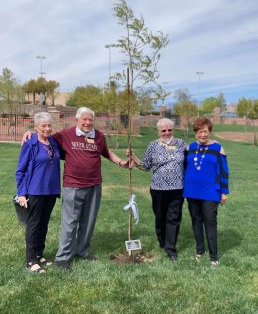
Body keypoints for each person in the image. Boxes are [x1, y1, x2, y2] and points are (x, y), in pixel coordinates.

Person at [22, 107, 128, 271]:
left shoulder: (99, 136)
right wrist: (31, 132)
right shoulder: (65, 135)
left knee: (88, 221)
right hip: (73, 185)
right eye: (84, 119)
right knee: (69, 222)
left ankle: (82, 251)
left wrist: (121, 162)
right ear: (77, 120)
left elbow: (107, 153)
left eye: (90, 120)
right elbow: (44, 135)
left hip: (94, 185)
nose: (87, 123)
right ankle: (63, 258)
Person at [130, 118, 187, 260]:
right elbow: (146, 166)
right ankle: (162, 240)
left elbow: (195, 153)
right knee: (160, 216)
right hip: (158, 188)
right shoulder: (152, 145)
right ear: (158, 132)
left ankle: (171, 248)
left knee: (174, 217)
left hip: (177, 188)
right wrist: (133, 158)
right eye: (164, 130)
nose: (167, 133)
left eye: (169, 130)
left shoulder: (181, 144)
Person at [16, 112, 61, 273]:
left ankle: (39, 253)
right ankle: (30, 260)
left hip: (51, 190)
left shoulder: (53, 143)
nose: (47, 128)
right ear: (36, 127)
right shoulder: (30, 144)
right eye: (43, 125)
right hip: (35, 190)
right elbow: (20, 170)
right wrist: (21, 193)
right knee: (34, 224)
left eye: (49, 125)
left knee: (44, 223)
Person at [183, 117, 229, 266]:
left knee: (210, 222)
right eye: (199, 132)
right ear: (195, 133)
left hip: (211, 192)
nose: (203, 135)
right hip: (191, 191)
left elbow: (223, 171)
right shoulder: (190, 148)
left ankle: (214, 257)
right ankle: (200, 251)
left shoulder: (218, 148)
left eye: (205, 131)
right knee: (196, 221)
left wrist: (224, 191)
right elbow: (184, 167)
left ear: (210, 132)